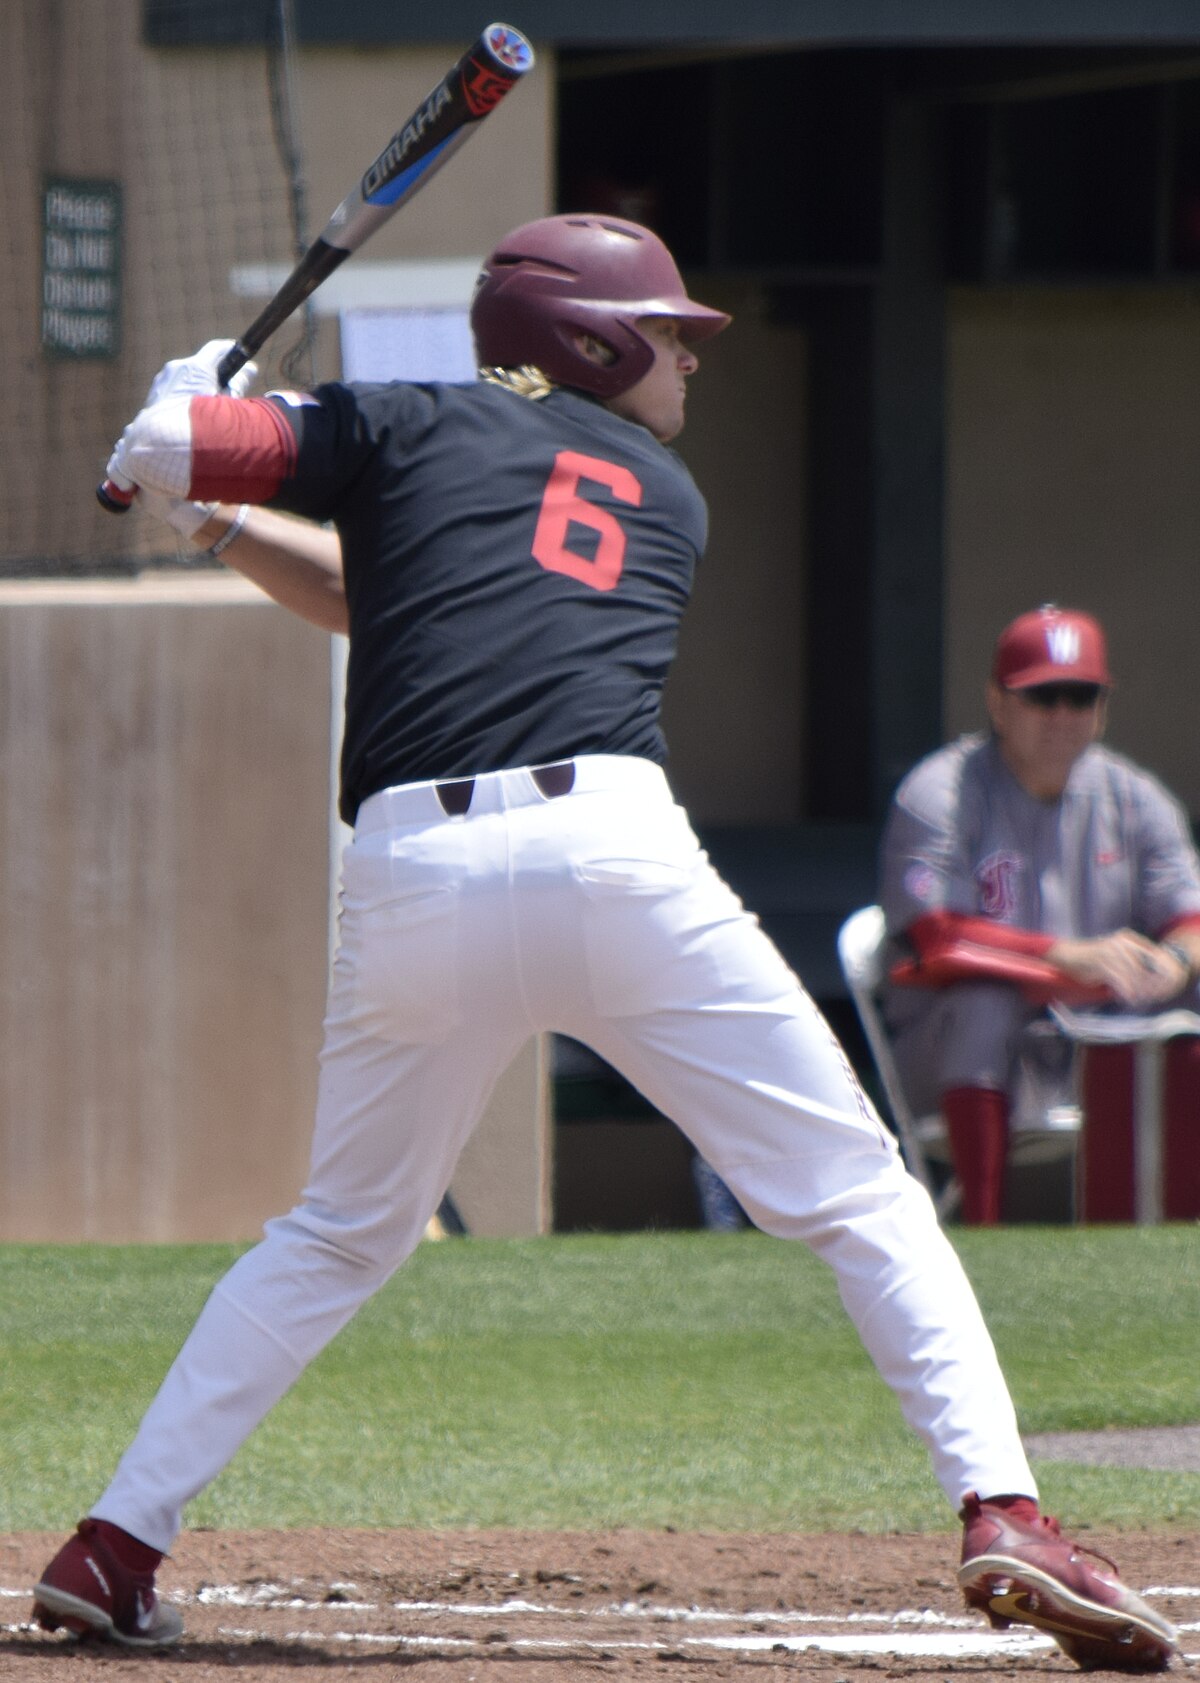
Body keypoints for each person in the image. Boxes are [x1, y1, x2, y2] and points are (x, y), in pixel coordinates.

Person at [32, 219, 1176, 1670]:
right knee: (858, 1194)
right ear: (589, 338)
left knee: (337, 1231)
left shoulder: (404, 417)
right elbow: (369, 585)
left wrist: (176, 430)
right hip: (612, 858)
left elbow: (202, 448)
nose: (689, 356)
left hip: (415, 876)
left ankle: (115, 1542)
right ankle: (1006, 1513)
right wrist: (205, 495)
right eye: (668, 331)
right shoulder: (664, 492)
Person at [880, 603, 1200, 1225]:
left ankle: (1181, 1233)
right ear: (998, 703)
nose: (1061, 716)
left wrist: (1174, 960)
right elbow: (931, 936)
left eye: (1079, 697)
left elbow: (1190, 915)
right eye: (1041, 696)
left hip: (1095, 1031)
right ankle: (983, 1224)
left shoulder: (1134, 795)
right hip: (951, 1051)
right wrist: (1064, 956)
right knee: (984, 1003)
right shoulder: (943, 790)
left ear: (1102, 708)